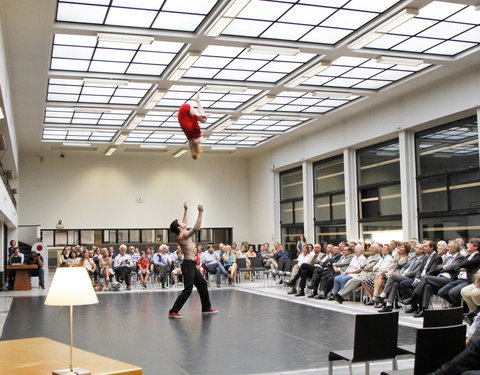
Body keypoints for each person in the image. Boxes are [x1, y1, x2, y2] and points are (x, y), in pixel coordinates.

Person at [168, 202, 217, 319]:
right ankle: (173, 311)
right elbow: (196, 228)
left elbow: (184, 222)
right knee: (188, 289)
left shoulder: (181, 231)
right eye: (180, 224)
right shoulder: (181, 236)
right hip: (188, 265)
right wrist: (200, 212)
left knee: (202, 283)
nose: (183, 223)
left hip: (192, 265)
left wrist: (185, 210)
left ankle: (206, 308)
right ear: (179, 228)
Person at [177, 94, 207, 160]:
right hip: (182, 113)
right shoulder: (190, 137)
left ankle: (198, 101)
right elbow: (192, 145)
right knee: (203, 119)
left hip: (185, 109)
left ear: (194, 141)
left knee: (204, 119)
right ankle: (198, 101)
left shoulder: (196, 133)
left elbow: (195, 117)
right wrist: (194, 152)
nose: (200, 141)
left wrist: (202, 115)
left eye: (198, 142)